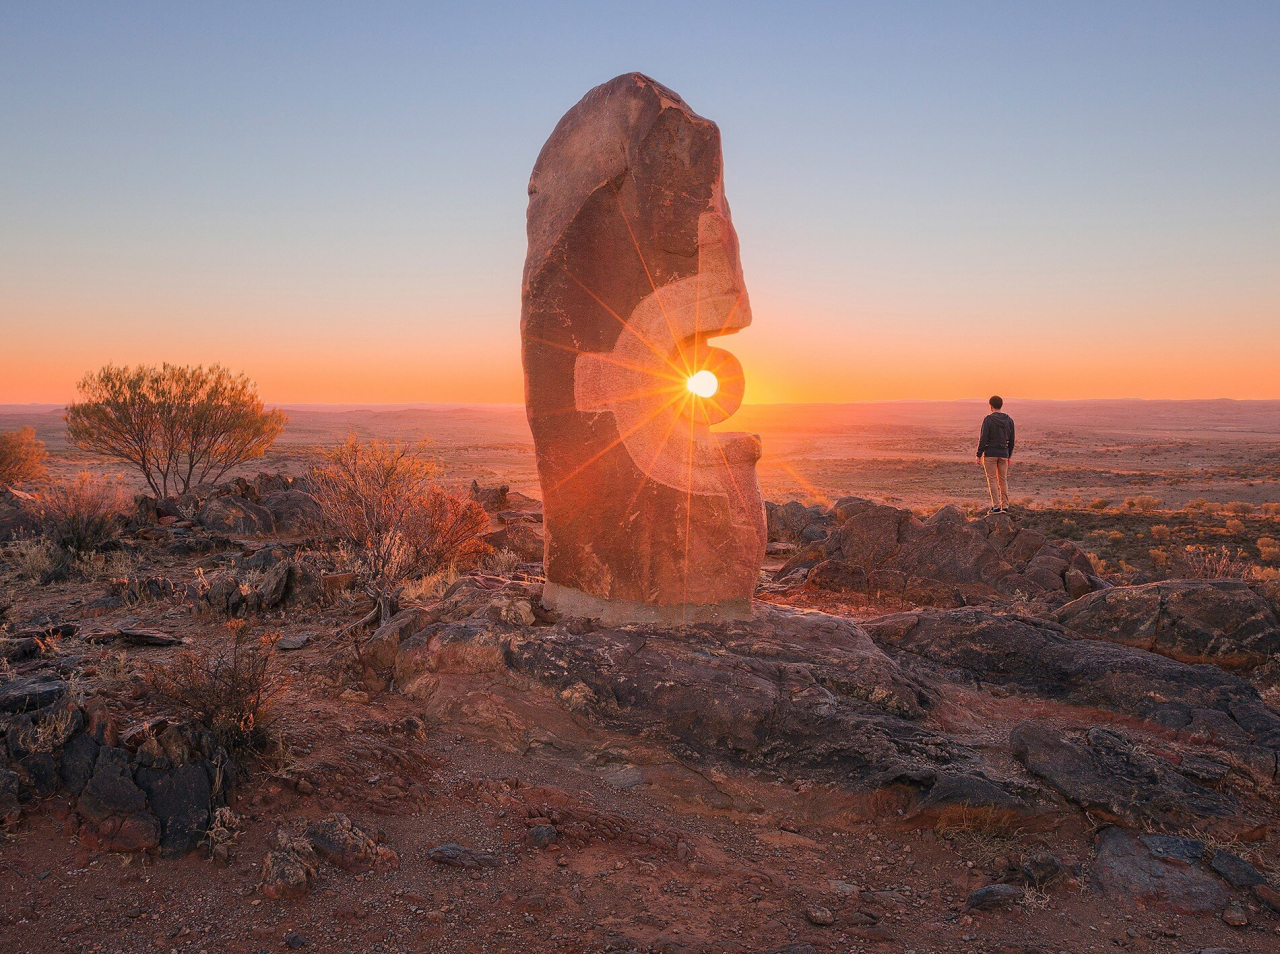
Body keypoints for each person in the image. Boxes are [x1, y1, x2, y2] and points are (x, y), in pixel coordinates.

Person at [977, 395, 1015, 514]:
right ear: (1001, 405)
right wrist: (1008, 455)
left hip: (990, 454)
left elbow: (983, 438)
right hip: (1003, 453)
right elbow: (1012, 439)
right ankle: (1006, 506)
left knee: (992, 479)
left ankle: (996, 506)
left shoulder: (988, 419)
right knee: (1003, 480)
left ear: (991, 406)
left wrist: (979, 454)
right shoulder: (1009, 420)